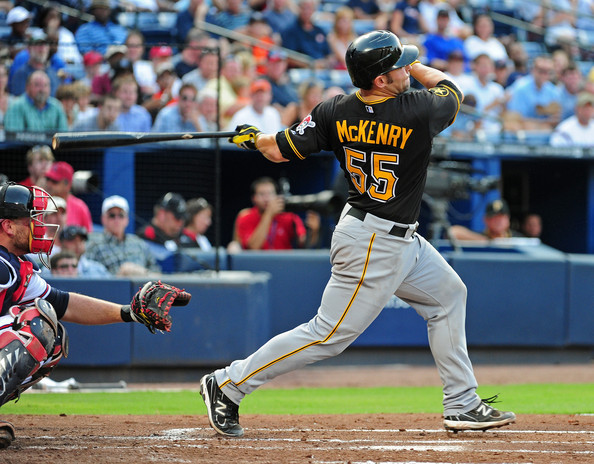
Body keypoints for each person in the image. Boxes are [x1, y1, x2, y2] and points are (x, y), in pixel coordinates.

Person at [200, 30, 515, 437]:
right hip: (373, 241)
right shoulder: (415, 109)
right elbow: (450, 91)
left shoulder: (336, 110)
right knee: (327, 335)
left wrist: (254, 139)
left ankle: (462, 403)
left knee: (449, 296)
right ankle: (228, 383)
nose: (408, 68)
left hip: (394, 236)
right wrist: (414, 68)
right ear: (380, 79)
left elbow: (280, 149)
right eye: (398, 65)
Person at [0, 182, 190, 448]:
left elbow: (66, 304)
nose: (39, 226)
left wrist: (129, 313)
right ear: (8, 226)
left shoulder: (17, 266)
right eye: (31, 219)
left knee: (52, 338)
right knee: (33, 324)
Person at [231, 177, 319, 250]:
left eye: (270, 193)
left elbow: (304, 243)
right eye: (262, 194)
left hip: (283, 264)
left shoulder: (289, 216)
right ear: (254, 198)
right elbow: (253, 247)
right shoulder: (246, 216)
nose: (266, 198)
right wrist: (269, 214)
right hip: (256, 264)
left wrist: (314, 231)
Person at [86, 195, 160, 276]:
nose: (116, 220)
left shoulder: (138, 243)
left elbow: (157, 272)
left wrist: (141, 272)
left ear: (127, 220)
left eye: (121, 215)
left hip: (142, 286)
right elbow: (89, 276)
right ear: (103, 219)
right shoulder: (94, 244)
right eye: (112, 215)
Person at [503, 55, 563, 134]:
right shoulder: (520, 87)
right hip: (522, 133)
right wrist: (543, 123)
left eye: (548, 72)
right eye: (541, 71)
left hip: (544, 133)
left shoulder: (553, 91)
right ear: (533, 70)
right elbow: (515, 119)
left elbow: (556, 118)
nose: (544, 75)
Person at [3, 70, 68, 134]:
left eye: (45, 85)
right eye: (37, 85)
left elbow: (63, 137)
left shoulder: (57, 107)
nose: (42, 89)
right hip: (24, 145)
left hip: (51, 145)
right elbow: (13, 139)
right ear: (27, 87)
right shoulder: (16, 106)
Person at [8, 30, 62, 97]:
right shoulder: (21, 74)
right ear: (29, 48)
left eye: (45, 45)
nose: (42, 48)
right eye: (38, 44)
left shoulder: (52, 74)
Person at [44, 161, 93, 233]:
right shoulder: (41, 203)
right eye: (48, 179)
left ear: (67, 185)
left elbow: (88, 238)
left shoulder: (80, 207)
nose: (49, 184)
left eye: (54, 181)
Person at [281, 0, 330, 69]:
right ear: (299, 9)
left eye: (309, 8)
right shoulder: (290, 31)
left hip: (321, 69)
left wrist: (324, 63)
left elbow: (328, 54)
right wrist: (311, 64)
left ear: (314, 10)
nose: (307, 11)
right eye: (304, 8)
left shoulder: (320, 31)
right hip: (300, 70)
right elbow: (288, 56)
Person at [449, 199, 522, 241]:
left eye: (501, 217)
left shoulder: (518, 239)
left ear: (508, 219)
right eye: (494, 218)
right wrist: (489, 242)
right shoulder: (480, 237)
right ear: (486, 220)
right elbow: (453, 232)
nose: (498, 221)